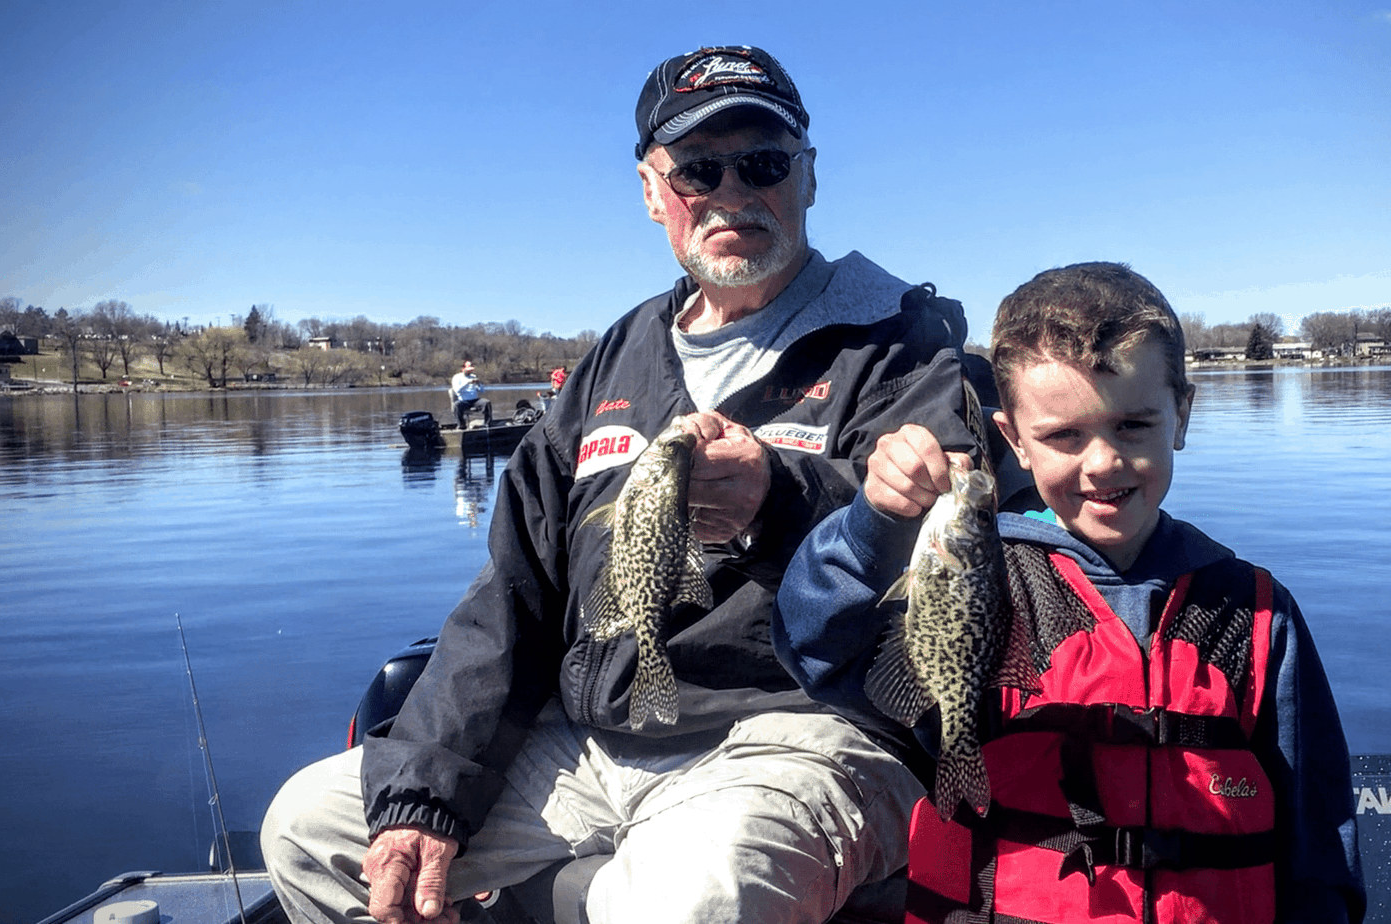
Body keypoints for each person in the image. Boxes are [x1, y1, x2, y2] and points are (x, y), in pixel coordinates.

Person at [261, 44, 978, 924]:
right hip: (589, 740)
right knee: (310, 827)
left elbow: (959, 553)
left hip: (798, 737)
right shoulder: (617, 358)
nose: (731, 193)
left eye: (761, 163)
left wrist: (781, 499)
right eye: (696, 171)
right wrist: (425, 794)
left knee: (690, 898)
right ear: (652, 191)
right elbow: (512, 597)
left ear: (809, 178)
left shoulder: (908, 346)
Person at [774, 262, 1366, 923]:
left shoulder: (1255, 614)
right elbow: (818, 648)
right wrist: (873, 522)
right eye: (1062, 435)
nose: (1103, 461)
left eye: (1133, 425)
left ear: (1181, 415)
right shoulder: (981, 575)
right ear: (1014, 442)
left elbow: (1318, 830)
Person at [450, 360, 492, 429]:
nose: (470, 372)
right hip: (463, 401)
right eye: (468, 370)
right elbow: (457, 390)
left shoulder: (473, 376)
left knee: (486, 402)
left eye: (471, 370)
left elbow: (482, 391)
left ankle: (487, 423)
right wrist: (467, 383)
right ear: (463, 369)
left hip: (475, 400)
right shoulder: (457, 377)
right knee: (456, 405)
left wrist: (479, 384)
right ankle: (461, 425)